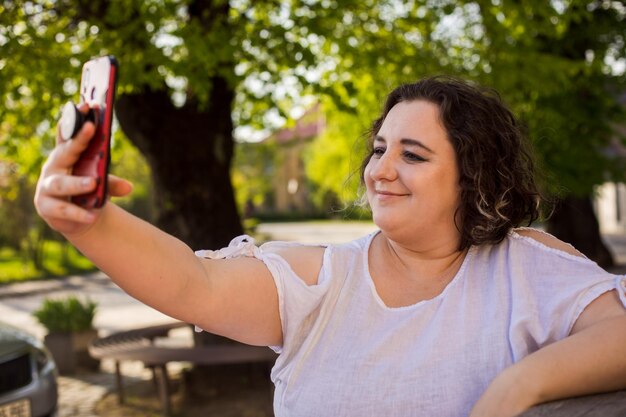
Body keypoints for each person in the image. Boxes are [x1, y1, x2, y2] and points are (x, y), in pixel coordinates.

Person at [35, 76, 626, 417]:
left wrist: (517, 387)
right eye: (379, 148)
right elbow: (193, 283)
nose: (381, 169)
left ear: (474, 176)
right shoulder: (318, 279)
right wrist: (90, 224)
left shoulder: (523, 266)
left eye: (412, 155)